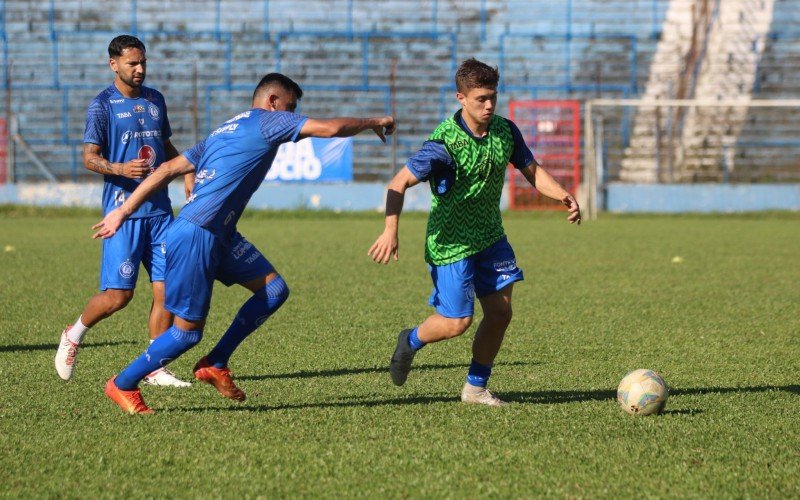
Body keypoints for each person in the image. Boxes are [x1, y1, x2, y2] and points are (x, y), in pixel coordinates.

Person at [92, 73, 395, 414]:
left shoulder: (225, 130)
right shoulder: (268, 122)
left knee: (274, 290)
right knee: (187, 334)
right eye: (291, 108)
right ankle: (123, 383)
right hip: (197, 233)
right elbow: (330, 129)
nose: (293, 116)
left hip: (218, 232)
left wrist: (123, 211)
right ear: (273, 102)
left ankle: (216, 362)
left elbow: (165, 170)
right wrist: (372, 121)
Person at [368, 58, 580, 406]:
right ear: (461, 98)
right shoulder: (443, 145)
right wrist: (390, 230)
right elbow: (398, 182)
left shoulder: (505, 131)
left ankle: (475, 388)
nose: (489, 105)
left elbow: (532, 170)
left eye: (493, 97)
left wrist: (563, 195)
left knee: (500, 313)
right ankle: (410, 340)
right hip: (451, 243)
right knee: (457, 322)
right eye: (481, 98)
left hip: (491, 237)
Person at [55, 35, 193, 386]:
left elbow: (163, 144)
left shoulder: (155, 100)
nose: (140, 69)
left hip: (161, 211)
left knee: (166, 290)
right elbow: (89, 157)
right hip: (123, 213)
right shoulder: (101, 105)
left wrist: (186, 167)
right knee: (119, 297)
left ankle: (155, 366)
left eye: (143, 62)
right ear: (113, 64)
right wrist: (119, 169)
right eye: (133, 63)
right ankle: (74, 334)